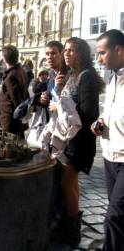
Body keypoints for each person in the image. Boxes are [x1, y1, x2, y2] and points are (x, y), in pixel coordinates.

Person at [53, 37, 104, 248]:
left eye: (71, 50)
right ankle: (70, 227)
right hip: (68, 138)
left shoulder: (87, 77)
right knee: (70, 183)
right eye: (65, 50)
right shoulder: (73, 75)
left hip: (77, 141)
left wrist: (60, 108)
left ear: (81, 53)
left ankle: (72, 232)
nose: (66, 54)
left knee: (68, 182)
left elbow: (88, 112)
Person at [91, 29, 124, 251]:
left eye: (102, 53)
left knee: (113, 217)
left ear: (119, 50)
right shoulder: (113, 77)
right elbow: (110, 110)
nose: (99, 58)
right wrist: (100, 122)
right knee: (120, 217)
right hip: (110, 155)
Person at [0, 45, 29, 138]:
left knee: (10, 145)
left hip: (10, 119)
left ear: (4, 59)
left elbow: (16, 101)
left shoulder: (11, 76)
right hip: (16, 119)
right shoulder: (21, 71)